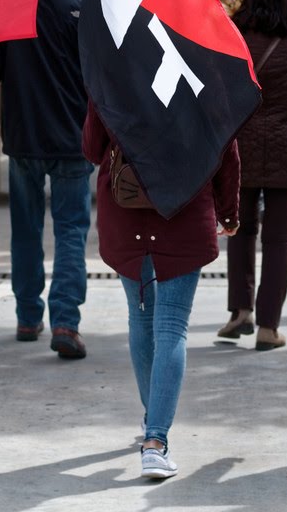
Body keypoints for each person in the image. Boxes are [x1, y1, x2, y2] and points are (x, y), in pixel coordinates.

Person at [83, 102, 240, 482]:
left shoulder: (113, 69)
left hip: (125, 207)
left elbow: (91, 148)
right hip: (184, 209)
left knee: (140, 316)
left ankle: (152, 417)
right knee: (171, 324)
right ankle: (156, 440)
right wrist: (230, 212)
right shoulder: (204, 66)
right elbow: (226, 149)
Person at [0, 0, 92, 360]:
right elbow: (99, 78)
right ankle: (65, 322)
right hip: (74, 139)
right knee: (71, 229)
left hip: (24, 139)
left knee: (26, 227)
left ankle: (26, 315)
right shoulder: (81, 11)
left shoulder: (12, 9)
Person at [218, 0, 287, 350]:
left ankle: (240, 311)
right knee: (279, 241)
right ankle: (268, 327)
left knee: (239, 232)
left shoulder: (232, 38)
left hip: (240, 149)